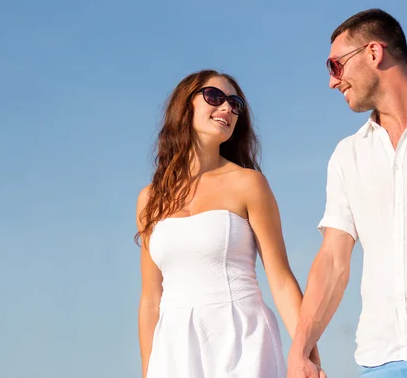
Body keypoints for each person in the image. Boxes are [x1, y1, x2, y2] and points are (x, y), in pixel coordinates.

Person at [287, 8, 407, 378]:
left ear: (373, 53)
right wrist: (300, 348)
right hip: (382, 362)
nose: (332, 82)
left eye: (335, 66)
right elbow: (333, 261)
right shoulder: (347, 156)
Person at [135, 69, 319, 378]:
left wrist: (308, 357)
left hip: (241, 338)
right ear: (185, 105)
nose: (227, 109)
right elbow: (151, 298)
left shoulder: (248, 183)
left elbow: (281, 279)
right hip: (175, 348)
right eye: (215, 97)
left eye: (235, 104)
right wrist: (148, 371)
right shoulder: (150, 198)